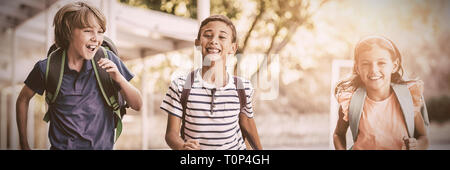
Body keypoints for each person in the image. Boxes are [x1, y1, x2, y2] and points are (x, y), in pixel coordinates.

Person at [16, 1, 142, 150]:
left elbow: (138, 105)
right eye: (88, 30)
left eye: (100, 31)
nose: (96, 38)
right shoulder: (46, 68)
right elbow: (22, 100)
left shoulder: (109, 61)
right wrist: (24, 144)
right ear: (68, 31)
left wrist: (119, 79)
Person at [161, 15, 263, 150]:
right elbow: (171, 134)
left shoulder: (242, 87)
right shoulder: (180, 86)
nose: (213, 41)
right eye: (208, 35)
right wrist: (182, 146)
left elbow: (248, 124)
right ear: (197, 43)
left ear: (233, 48)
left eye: (221, 37)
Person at [333, 35, 429, 150]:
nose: (373, 70)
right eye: (366, 64)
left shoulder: (408, 98)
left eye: (381, 63)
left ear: (394, 66)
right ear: (357, 68)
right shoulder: (350, 100)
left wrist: (417, 146)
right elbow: (338, 134)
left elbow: (424, 137)